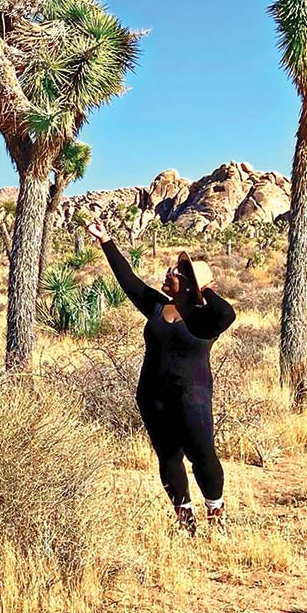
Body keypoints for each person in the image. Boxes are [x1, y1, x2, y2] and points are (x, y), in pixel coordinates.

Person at [85, 219, 236, 535]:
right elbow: (129, 281)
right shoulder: (156, 307)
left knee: (203, 455)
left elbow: (227, 314)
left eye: (176, 273)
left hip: (191, 396)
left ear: (192, 284)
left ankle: (216, 515)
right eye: (171, 270)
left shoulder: (206, 318)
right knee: (168, 457)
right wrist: (106, 241)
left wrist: (202, 289)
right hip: (152, 395)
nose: (169, 273)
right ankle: (185, 521)